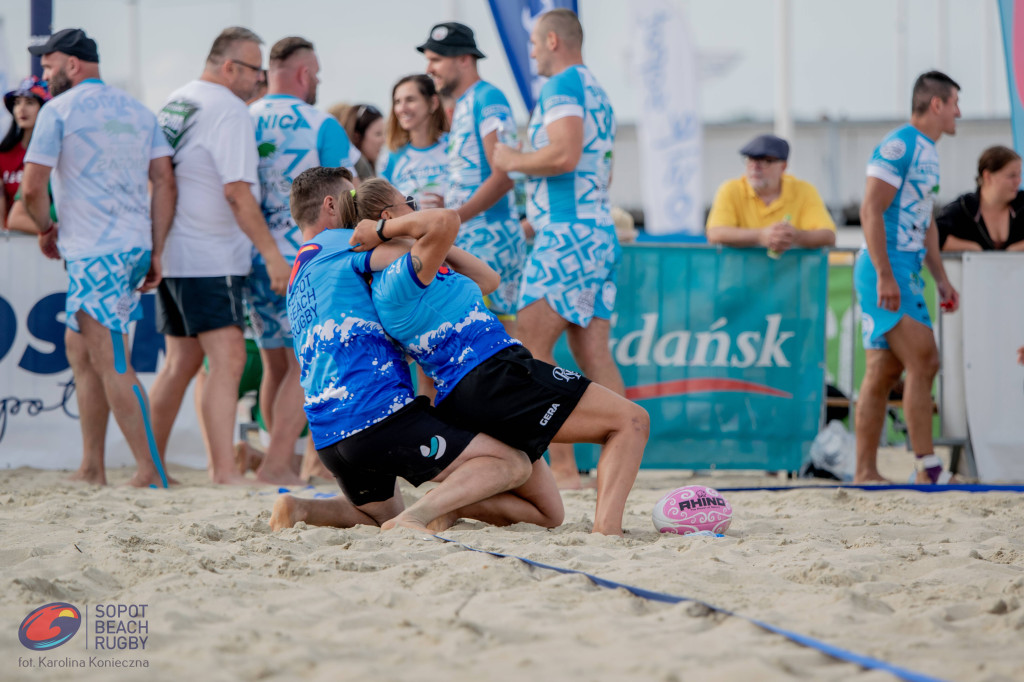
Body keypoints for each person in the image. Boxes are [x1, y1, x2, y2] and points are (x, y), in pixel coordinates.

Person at [350, 178, 649, 534]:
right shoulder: (397, 279)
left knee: (546, 513)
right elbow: (445, 220)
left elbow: (489, 279)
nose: (417, 209)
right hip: (493, 375)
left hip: (473, 391)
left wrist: (415, 238)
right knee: (631, 422)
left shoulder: (420, 267)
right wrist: (387, 230)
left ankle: (445, 510)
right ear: (387, 216)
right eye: (409, 202)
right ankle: (608, 532)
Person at [271, 166, 536, 534]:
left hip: (328, 436)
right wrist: (403, 227)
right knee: (512, 464)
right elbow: (434, 251)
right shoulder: (349, 244)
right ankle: (422, 516)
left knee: (378, 516)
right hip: (376, 416)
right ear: (330, 205)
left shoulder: (300, 274)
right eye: (352, 202)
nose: (355, 216)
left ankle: (298, 507)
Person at [20, 28, 177, 486]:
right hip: (129, 249)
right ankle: (92, 467)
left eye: (48, 67)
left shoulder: (59, 110)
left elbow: (32, 187)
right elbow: (164, 181)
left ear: (72, 64)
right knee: (82, 352)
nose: (44, 76)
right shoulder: (138, 110)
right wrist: (156, 248)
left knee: (113, 362)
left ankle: (150, 471)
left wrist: (46, 226)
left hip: (94, 254)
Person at [149, 27, 290, 485]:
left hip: (174, 250)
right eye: (255, 70)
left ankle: (149, 466)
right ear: (229, 67)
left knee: (181, 363)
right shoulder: (228, 109)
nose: (259, 80)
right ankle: (223, 473)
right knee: (227, 358)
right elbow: (237, 194)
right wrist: (272, 254)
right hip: (208, 254)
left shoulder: (178, 99)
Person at [490, 9, 623, 489]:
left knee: (531, 347)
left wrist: (513, 160)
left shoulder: (562, 86)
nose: (528, 54)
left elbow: (565, 154)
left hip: (568, 240)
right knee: (592, 353)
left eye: (531, 44)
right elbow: (596, 172)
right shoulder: (597, 91)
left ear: (551, 40)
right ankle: (619, 460)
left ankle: (565, 470)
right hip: (594, 238)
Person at [241, 36, 359, 484]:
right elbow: (347, 192)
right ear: (305, 74)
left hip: (254, 252)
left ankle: (283, 457)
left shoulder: (245, 117)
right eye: (317, 76)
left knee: (274, 363)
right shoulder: (319, 122)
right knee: (301, 364)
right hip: (304, 255)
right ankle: (276, 463)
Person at [853, 71, 961, 485]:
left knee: (881, 374)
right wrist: (884, 274)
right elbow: (870, 209)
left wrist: (941, 278)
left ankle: (864, 472)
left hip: (904, 267)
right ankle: (928, 467)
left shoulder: (928, 150)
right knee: (925, 360)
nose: (959, 112)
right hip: (888, 267)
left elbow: (926, 221)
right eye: (954, 103)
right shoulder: (900, 144)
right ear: (936, 104)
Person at [418, 21, 525, 333]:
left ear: (464, 59)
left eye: (436, 59)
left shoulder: (488, 98)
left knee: (497, 347)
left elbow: (505, 175)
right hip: (474, 238)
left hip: (492, 238)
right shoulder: (466, 103)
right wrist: (450, 205)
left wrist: (452, 216)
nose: (429, 68)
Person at [705, 134, 837, 253]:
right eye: (750, 160)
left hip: (790, 278)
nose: (755, 167)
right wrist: (760, 236)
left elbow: (828, 235)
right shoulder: (730, 189)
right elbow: (715, 233)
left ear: (783, 166)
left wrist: (794, 236)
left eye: (766, 161)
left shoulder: (804, 190)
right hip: (741, 278)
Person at [378, 74, 449, 210]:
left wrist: (452, 204)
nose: (402, 108)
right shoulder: (390, 158)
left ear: (433, 103)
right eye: (397, 102)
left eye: (410, 100)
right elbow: (384, 210)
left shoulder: (455, 146)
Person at [937, 145, 1024, 252]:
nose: (1018, 181)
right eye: (1011, 176)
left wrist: (1017, 249)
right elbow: (931, 236)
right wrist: (973, 249)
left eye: (1019, 175)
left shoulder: (1022, 205)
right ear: (988, 176)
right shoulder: (965, 208)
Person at [1, 76, 50, 232]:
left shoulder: (54, 154)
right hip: (12, 244)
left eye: (29, 102)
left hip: (50, 240)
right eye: (17, 103)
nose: (21, 109)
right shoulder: (3, 155)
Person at [340, 103, 384, 182]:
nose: (384, 140)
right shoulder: (348, 181)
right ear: (356, 137)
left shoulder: (378, 171)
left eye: (385, 133)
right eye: (378, 134)